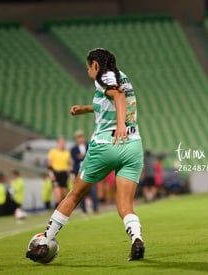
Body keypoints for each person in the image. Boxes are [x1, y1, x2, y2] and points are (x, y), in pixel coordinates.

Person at [26, 48, 145, 262]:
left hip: (106, 144)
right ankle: (136, 239)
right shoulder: (122, 76)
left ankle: (44, 242)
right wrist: (86, 108)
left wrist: (119, 126)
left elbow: (116, 96)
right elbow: (115, 98)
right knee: (125, 206)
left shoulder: (102, 77)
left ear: (96, 65)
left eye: (88, 66)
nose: (88, 70)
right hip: (132, 145)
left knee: (74, 195)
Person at [70, 129, 98, 215]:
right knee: (80, 192)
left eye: (81, 137)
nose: (80, 139)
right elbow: (75, 159)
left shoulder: (89, 145)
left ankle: (95, 209)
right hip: (79, 172)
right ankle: (84, 210)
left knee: (93, 190)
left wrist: (82, 156)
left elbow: (92, 156)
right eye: (78, 137)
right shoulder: (73, 149)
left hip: (89, 170)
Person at [47, 137, 71, 209]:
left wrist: (71, 172)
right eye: (60, 143)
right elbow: (49, 164)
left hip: (64, 174)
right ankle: (56, 212)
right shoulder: (53, 152)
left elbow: (68, 164)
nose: (62, 144)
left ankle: (62, 211)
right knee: (58, 194)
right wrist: (51, 174)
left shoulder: (67, 152)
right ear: (58, 143)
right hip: (56, 174)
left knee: (64, 194)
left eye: (63, 143)